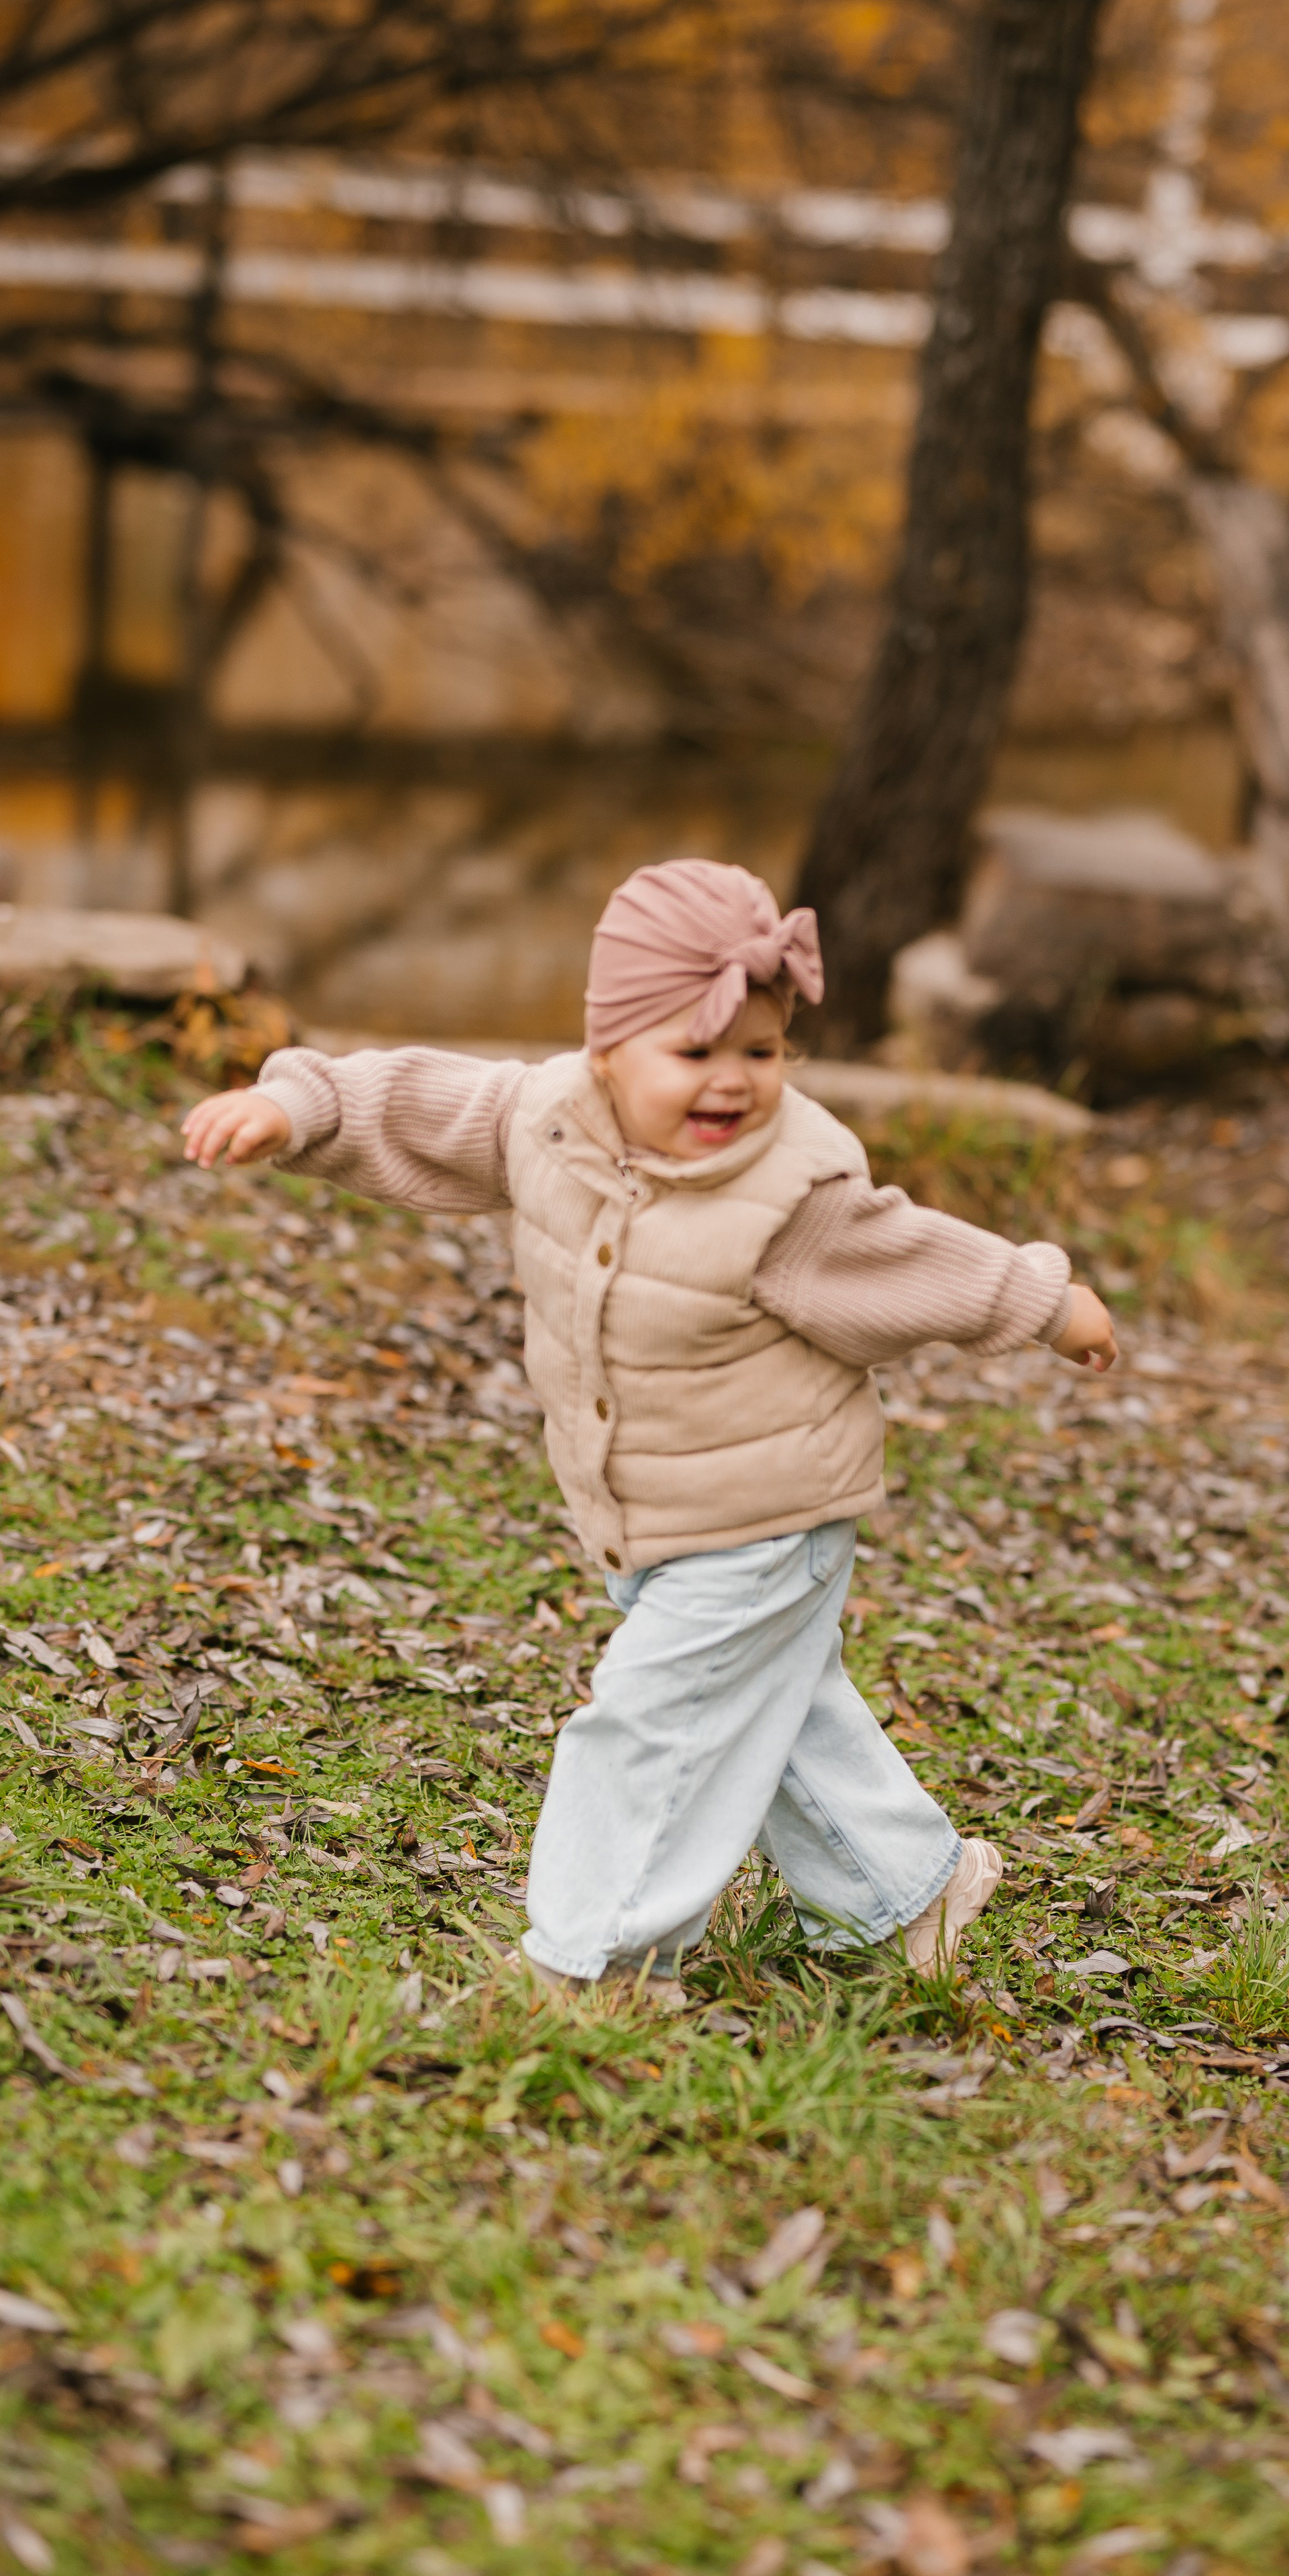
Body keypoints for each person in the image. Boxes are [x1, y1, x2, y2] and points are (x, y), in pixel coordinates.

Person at [183, 859, 1118, 2005]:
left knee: (649, 1724)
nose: (732, 1083)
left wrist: (1044, 1303)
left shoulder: (791, 1191)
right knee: (777, 1715)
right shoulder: (547, 1121)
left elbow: (917, 1261)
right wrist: (300, 1105)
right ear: (606, 1049)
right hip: (657, 1511)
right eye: (695, 1052)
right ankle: (909, 1894)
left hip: (768, 1520)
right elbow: (417, 1102)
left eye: (762, 1053)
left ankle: (599, 1964)